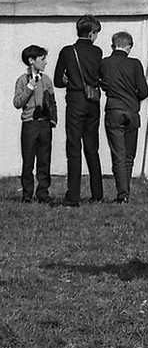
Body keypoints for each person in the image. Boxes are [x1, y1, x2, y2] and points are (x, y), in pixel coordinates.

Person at [53, 14, 104, 206]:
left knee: (74, 147)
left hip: (75, 100)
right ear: (91, 33)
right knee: (92, 148)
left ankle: (73, 195)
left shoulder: (68, 51)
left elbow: (58, 80)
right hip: (93, 101)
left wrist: (67, 79)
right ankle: (97, 193)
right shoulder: (97, 52)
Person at [99, 31, 148, 203]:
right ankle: (125, 192)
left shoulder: (104, 63)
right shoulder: (135, 64)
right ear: (129, 46)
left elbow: (103, 84)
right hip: (132, 113)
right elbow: (144, 91)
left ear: (113, 45)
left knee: (118, 155)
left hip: (114, 111)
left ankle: (122, 195)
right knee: (129, 155)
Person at [14, 45, 57, 203]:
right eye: (42, 59)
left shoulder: (46, 80)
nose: (45, 62)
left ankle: (43, 192)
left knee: (44, 159)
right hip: (30, 124)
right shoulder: (22, 80)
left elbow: (52, 101)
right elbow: (17, 102)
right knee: (28, 159)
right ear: (31, 61)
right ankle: (27, 194)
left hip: (44, 124)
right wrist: (30, 87)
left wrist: (52, 120)